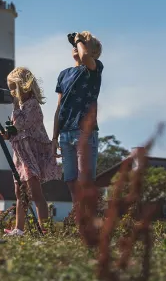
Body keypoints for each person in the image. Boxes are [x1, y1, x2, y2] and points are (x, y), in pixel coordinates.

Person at [1, 67, 62, 236]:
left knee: (36, 194)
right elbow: (18, 129)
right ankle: (19, 229)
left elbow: (21, 124)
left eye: (13, 88)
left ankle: (44, 229)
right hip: (21, 155)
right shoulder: (21, 107)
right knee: (20, 194)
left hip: (30, 156)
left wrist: (14, 107)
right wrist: (9, 134)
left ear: (23, 87)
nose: (11, 92)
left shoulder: (32, 105)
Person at [52, 31, 104, 203]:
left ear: (92, 52)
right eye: (75, 43)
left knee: (85, 180)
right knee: (70, 180)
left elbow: (85, 57)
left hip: (84, 132)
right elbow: (59, 107)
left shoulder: (94, 68)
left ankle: (90, 219)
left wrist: (79, 39)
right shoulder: (63, 74)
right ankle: (79, 218)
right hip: (65, 132)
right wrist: (54, 138)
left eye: (81, 43)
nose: (76, 45)